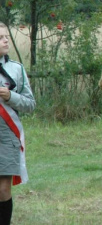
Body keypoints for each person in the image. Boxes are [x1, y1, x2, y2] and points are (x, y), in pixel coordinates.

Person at [0, 22, 35, 224]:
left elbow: (30, 104)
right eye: (1, 37)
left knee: (3, 189)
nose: (6, 40)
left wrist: (11, 96)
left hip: (6, 136)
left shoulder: (16, 69)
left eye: (6, 36)